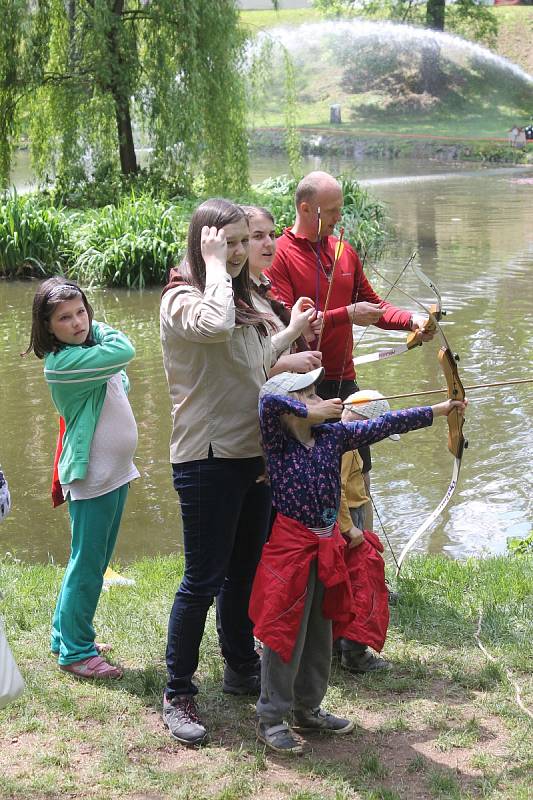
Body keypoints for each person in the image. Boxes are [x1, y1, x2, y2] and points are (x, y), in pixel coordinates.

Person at [159, 199, 315, 748]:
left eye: (242, 241)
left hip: (253, 452)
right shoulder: (182, 299)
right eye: (226, 242)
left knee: (243, 570)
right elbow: (214, 325)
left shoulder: (242, 296)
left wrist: (289, 333)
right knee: (201, 579)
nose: (240, 250)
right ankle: (177, 690)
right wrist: (216, 269)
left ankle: (239, 667)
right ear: (203, 244)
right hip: (205, 456)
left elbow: (250, 361)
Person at [250, 368, 467, 753]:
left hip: (327, 547)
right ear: (293, 408)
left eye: (318, 395)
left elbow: (386, 423)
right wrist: (309, 412)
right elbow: (268, 402)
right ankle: (271, 718)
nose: (324, 402)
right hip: (290, 551)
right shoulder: (278, 441)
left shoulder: (334, 437)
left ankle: (308, 709)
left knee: (319, 631)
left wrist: (441, 409)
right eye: (312, 396)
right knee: (285, 635)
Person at [24, 277, 138, 679]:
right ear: (47, 327)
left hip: (115, 472)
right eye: (65, 318)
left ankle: (67, 635)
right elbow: (126, 350)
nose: (78, 323)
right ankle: (75, 652)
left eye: (81, 312)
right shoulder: (64, 364)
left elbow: (119, 379)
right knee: (88, 564)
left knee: (91, 560)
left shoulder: (87, 354)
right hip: (93, 476)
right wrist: (101, 328)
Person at [335, 391, 402, 673]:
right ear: (363, 420)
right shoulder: (345, 445)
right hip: (348, 521)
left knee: (348, 584)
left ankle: (338, 645)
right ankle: (353, 652)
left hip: (354, 514)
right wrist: (349, 528)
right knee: (358, 585)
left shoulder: (349, 440)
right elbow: (334, 490)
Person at [243, 205, 322, 376]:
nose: (270, 243)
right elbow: (242, 372)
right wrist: (286, 363)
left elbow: (277, 346)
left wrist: (303, 329)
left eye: (272, 235)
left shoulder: (264, 290)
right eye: (258, 236)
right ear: (238, 242)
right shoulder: (237, 297)